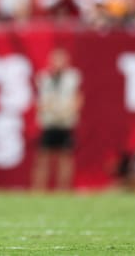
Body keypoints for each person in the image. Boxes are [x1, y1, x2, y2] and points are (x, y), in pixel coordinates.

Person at [33, 49, 82, 191]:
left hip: (65, 122)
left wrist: (70, 110)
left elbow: (78, 98)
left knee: (65, 158)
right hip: (49, 122)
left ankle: (64, 190)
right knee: (43, 158)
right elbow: (38, 101)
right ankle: (39, 190)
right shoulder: (44, 78)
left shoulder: (72, 78)